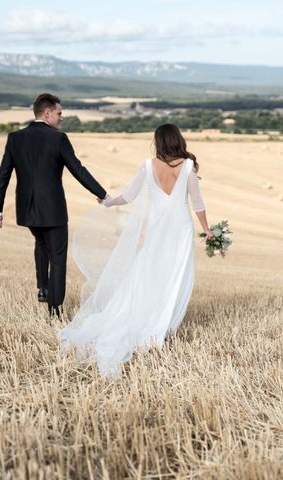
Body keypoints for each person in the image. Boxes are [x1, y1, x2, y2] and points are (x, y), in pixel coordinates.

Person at [59, 123, 214, 378]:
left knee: (150, 274)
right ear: (178, 140)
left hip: (157, 229)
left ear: (158, 142)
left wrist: (108, 202)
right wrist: (207, 230)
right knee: (175, 278)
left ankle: (150, 321)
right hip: (180, 229)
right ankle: (161, 327)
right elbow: (197, 203)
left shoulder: (148, 166)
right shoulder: (187, 167)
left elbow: (129, 196)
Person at [0, 93, 107, 317]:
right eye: (59, 113)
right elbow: (78, 169)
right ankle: (55, 309)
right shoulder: (58, 139)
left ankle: (43, 288)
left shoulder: (15, 138)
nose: (61, 118)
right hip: (52, 210)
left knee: (41, 241)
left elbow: (2, 176)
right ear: (47, 113)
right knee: (58, 256)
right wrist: (102, 193)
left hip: (28, 210)